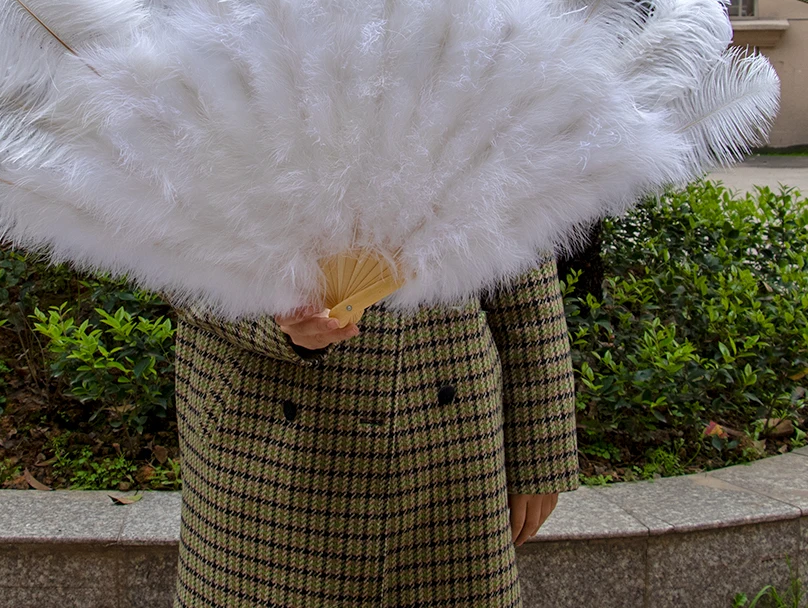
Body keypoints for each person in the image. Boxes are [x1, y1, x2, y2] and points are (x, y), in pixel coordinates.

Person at [170, 256, 578, 607]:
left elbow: (524, 228)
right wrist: (264, 311)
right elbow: (164, 239)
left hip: (446, 433)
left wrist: (542, 446)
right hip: (261, 432)